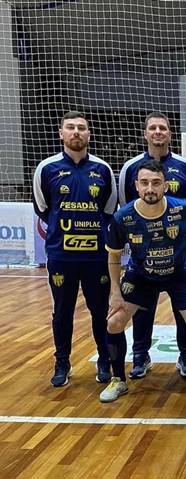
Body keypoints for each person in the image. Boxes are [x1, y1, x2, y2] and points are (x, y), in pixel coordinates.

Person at [101, 160, 186, 403]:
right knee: (114, 323)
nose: (150, 188)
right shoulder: (123, 217)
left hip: (177, 275)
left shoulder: (183, 208)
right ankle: (118, 380)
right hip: (141, 277)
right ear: (136, 186)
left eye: (156, 183)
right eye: (145, 183)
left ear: (166, 186)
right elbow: (114, 256)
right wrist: (115, 292)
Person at [32, 111, 116, 387]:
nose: (76, 132)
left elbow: (108, 210)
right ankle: (62, 362)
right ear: (61, 133)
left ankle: (104, 359)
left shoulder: (102, 169)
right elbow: (43, 209)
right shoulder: (46, 168)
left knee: (100, 311)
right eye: (70, 127)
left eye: (81, 127)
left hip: (96, 256)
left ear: (89, 134)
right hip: (61, 256)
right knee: (62, 312)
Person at [119, 111, 186, 379]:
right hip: (143, 254)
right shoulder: (131, 168)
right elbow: (126, 207)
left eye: (162, 128)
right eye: (152, 128)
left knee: (184, 308)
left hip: (179, 253)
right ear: (145, 133)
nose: (158, 132)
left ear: (170, 133)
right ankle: (140, 355)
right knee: (142, 307)